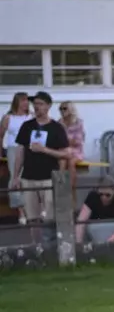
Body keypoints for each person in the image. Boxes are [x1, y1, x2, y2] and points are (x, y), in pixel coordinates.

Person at [12, 91, 70, 242]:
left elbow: (66, 153)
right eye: (34, 104)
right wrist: (15, 176)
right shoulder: (27, 126)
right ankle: (36, 248)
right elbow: (20, 151)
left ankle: (50, 246)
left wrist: (45, 150)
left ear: (48, 106)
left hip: (49, 177)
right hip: (28, 177)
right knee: (32, 217)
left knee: (50, 216)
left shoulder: (56, 127)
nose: (36, 107)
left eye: (40, 104)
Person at [0, 92, 31, 224]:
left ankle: (31, 209)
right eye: (23, 101)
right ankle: (21, 211)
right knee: (15, 178)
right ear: (17, 102)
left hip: (30, 149)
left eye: (27, 101)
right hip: (13, 149)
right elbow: (0, 135)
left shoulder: (31, 117)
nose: (26, 103)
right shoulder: (8, 117)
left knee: (29, 178)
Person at [75, 175, 114, 244]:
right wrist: (78, 244)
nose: (103, 197)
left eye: (107, 195)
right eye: (101, 194)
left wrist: (110, 241)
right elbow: (81, 222)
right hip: (95, 231)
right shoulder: (92, 197)